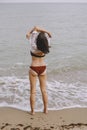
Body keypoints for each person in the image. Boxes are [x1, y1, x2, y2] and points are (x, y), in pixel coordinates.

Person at [26, 26, 52, 115]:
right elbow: (48, 35)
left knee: (33, 91)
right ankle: (46, 110)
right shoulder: (46, 44)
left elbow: (33, 29)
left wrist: (31, 30)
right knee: (44, 90)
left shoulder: (33, 45)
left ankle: (33, 111)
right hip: (43, 68)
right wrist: (47, 31)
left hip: (34, 68)